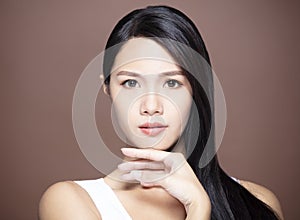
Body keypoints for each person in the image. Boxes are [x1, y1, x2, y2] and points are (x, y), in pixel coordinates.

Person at [39, 5, 284, 220]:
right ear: (108, 88)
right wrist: (198, 208)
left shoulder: (257, 203)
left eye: (171, 83)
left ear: (197, 89)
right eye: (131, 83)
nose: (151, 105)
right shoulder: (73, 202)